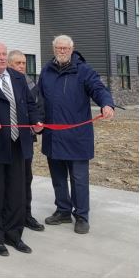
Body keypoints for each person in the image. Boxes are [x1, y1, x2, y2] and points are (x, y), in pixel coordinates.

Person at [38, 35, 115, 234]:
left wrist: (106, 104)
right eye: (58, 48)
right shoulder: (46, 71)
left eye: (65, 48)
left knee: (79, 179)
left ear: (72, 49)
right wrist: (35, 119)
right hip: (53, 135)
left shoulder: (84, 70)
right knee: (58, 178)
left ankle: (81, 216)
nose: (62, 51)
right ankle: (63, 210)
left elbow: (99, 89)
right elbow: (39, 99)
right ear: (53, 49)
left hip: (77, 137)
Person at [0, 41, 42, 257]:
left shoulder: (18, 77)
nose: (3, 58)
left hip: (18, 143)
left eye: (4, 54)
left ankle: (14, 235)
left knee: (16, 193)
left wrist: (36, 122)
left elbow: (30, 105)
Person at [7, 49, 46, 232]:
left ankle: (26, 215)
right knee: (8, 180)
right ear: (9, 64)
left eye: (23, 63)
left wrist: (37, 123)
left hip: (26, 140)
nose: (22, 66)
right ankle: (9, 215)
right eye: (17, 63)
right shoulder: (6, 82)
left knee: (26, 178)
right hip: (7, 141)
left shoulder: (30, 84)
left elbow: (37, 107)